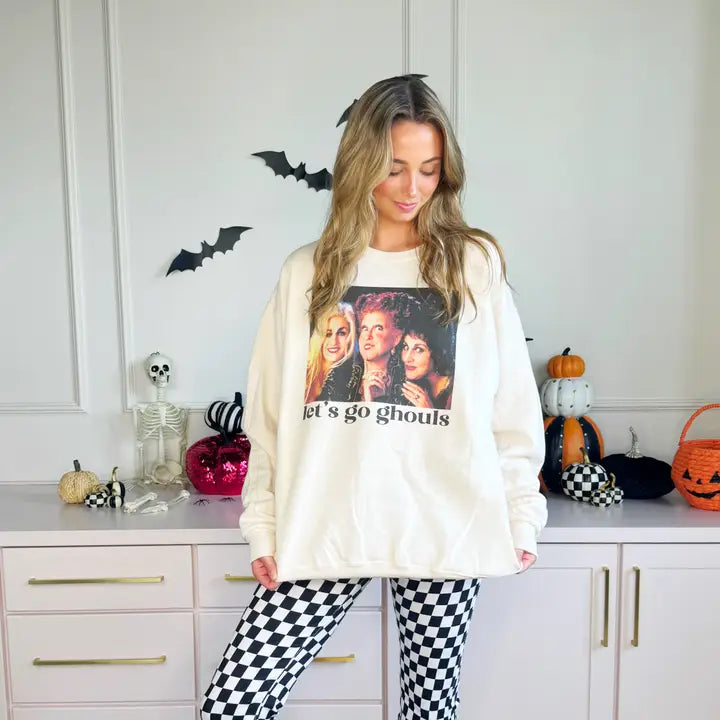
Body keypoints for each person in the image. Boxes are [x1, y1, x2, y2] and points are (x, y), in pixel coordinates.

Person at [201, 74, 547, 720]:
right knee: (231, 705)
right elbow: (269, 416)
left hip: (444, 524)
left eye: (429, 169)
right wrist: (263, 525)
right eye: (393, 169)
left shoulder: (473, 266)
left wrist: (522, 511)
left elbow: (511, 407)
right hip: (326, 517)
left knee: (429, 709)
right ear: (361, 166)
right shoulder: (308, 271)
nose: (412, 188)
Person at [304, 301, 356, 403]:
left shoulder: (352, 381)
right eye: (328, 334)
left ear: (350, 336)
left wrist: (353, 326)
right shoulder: (304, 369)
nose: (334, 341)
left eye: (341, 333)